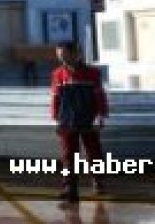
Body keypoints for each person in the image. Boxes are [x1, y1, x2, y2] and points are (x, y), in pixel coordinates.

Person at [51, 40, 109, 205]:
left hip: (88, 118)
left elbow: (99, 95)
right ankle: (69, 187)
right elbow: (55, 97)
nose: (61, 58)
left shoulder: (92, 73)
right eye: (59, 55)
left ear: (75, 53)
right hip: (67, 120)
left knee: (94, 152)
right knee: (68, 155)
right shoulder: (58, 74)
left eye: (63, 54)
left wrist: (100, 115)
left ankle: (98, 180)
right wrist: (55, 117)